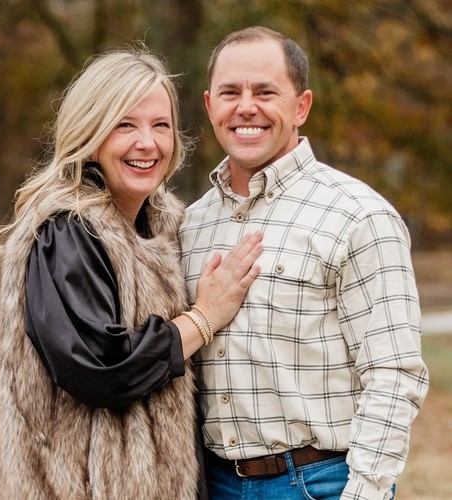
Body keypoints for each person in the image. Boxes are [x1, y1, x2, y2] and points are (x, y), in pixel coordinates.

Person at [0, 47, 263, 500]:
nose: (147, 143)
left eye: (160, 125)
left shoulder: (163, 228)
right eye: (124, 125)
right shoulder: (67, 231)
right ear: (90, 133)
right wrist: (205, 316)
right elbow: (103, 366)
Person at [179, 26, 429, 500]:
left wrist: (364, 492)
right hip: (211, 484)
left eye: (265, 92)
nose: (246, 107)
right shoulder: (191, 224)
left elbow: (394, 374)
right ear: (210, 106)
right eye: (230, 93)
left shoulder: (358, 216)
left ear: (301, 106)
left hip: (318, 483)